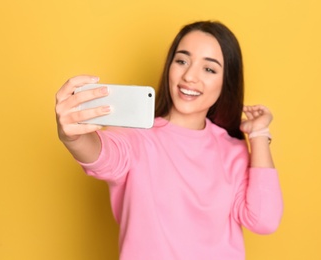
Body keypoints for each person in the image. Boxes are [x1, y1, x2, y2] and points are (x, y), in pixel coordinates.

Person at [55, 20, 283, 260]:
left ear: (226, 81)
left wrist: (258, 134)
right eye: (182, 61)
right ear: (169, 67)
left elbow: (263, 220)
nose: (190, 76)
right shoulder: (135, 136)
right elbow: (104, 157)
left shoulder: (233, 150)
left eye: (209, 69)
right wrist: (73, 137)